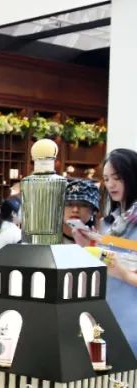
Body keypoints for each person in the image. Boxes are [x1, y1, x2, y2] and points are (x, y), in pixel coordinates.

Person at [75, 149, 137, 355]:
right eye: (107, 178)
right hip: (107, 314)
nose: (111, 185)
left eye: (117, 178)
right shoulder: (109, 223)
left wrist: (124, 274)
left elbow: (118, 267)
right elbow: (103, 264)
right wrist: (86, 247)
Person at [61, 178, 100, 244]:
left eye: (83, 205)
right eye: (69, 204)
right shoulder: (46, 237)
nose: (75, 210)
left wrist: (93, 246)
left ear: (93, 210)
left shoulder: (105, 235)